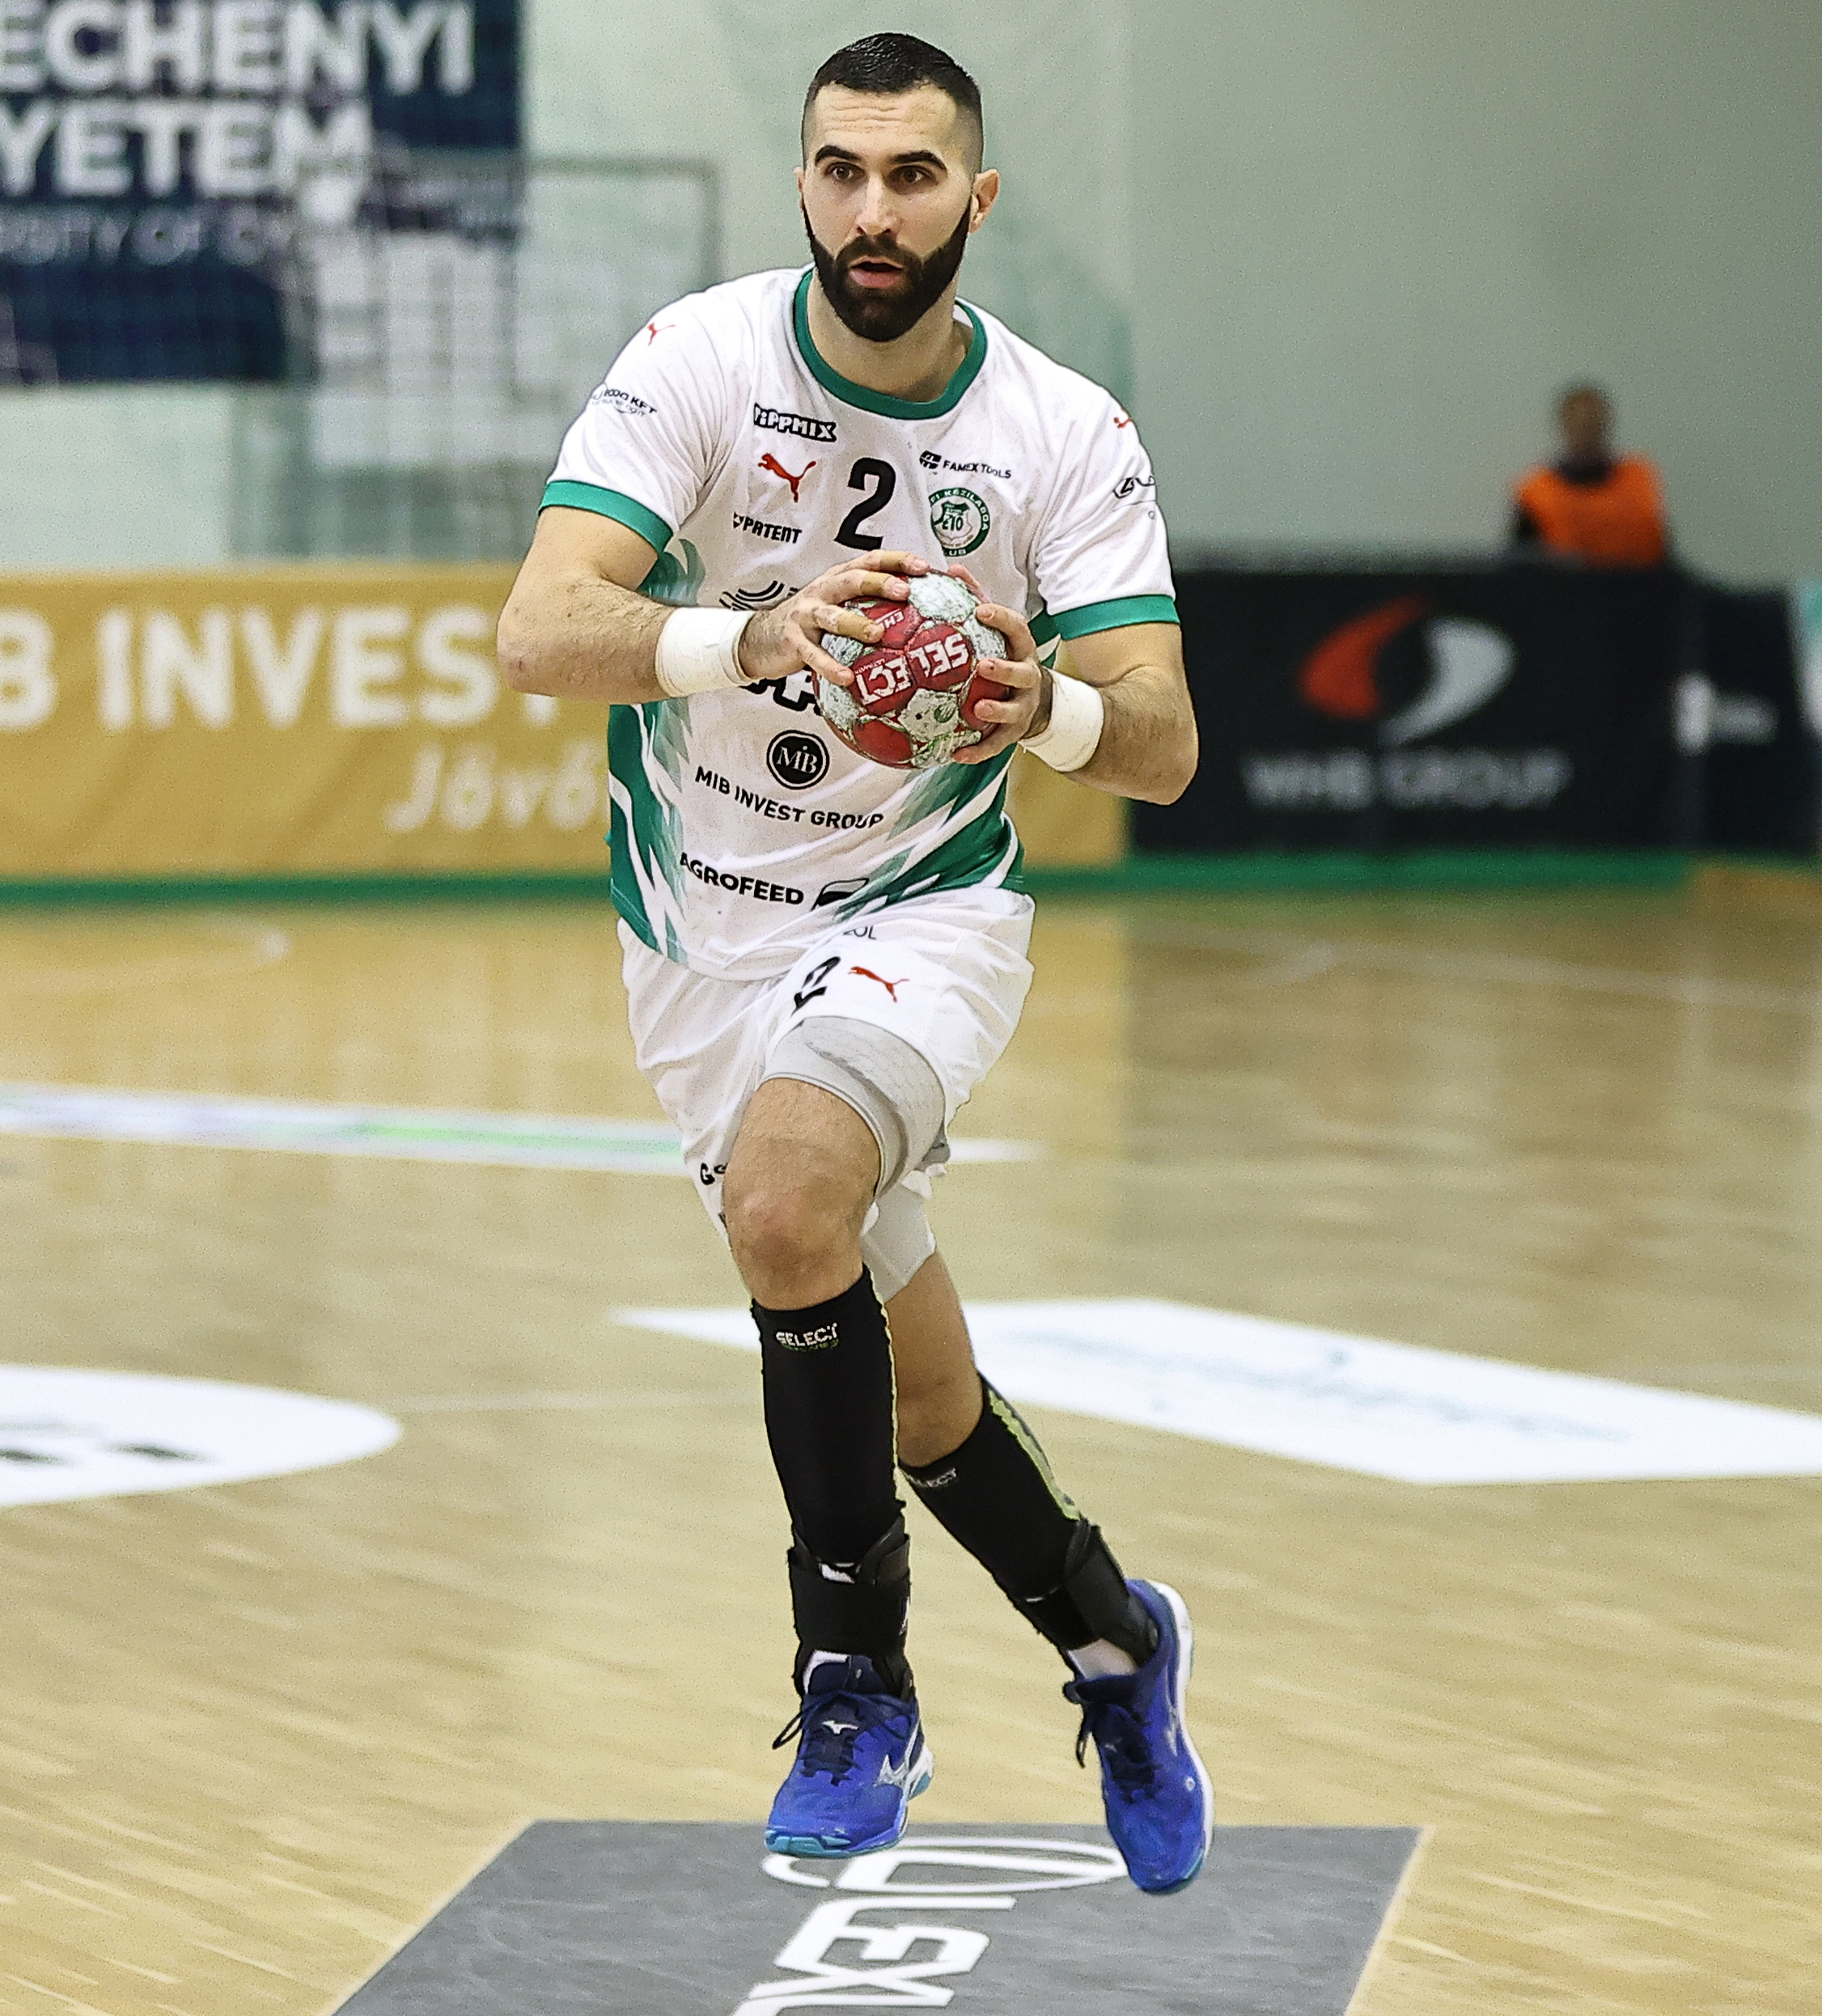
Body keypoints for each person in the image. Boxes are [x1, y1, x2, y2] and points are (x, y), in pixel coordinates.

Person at [495, 33, 1211, 1891]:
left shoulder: (1059, 430)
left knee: (786, 1195)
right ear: (802, 184)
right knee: (913, 1399)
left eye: (910, 174)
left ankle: (851, 1685)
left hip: (918, 914)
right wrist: (747, 634)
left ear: (976, 198)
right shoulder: (699, 361)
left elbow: (1158, 745)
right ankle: (1113, 1641)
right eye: (840, 171)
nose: (871, 210)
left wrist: (1038, 702)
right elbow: (542, 627)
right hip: (696, 937)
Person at [1511, 383, 1671, 566]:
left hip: (1636, 582)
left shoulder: (1638, 481)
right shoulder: (1536, 494)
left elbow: (1662, 555)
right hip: (1564, 584)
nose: (1587, 434)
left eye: (1594, 425)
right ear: (1564, 425)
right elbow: (1519, 568)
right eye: (1581, 426)